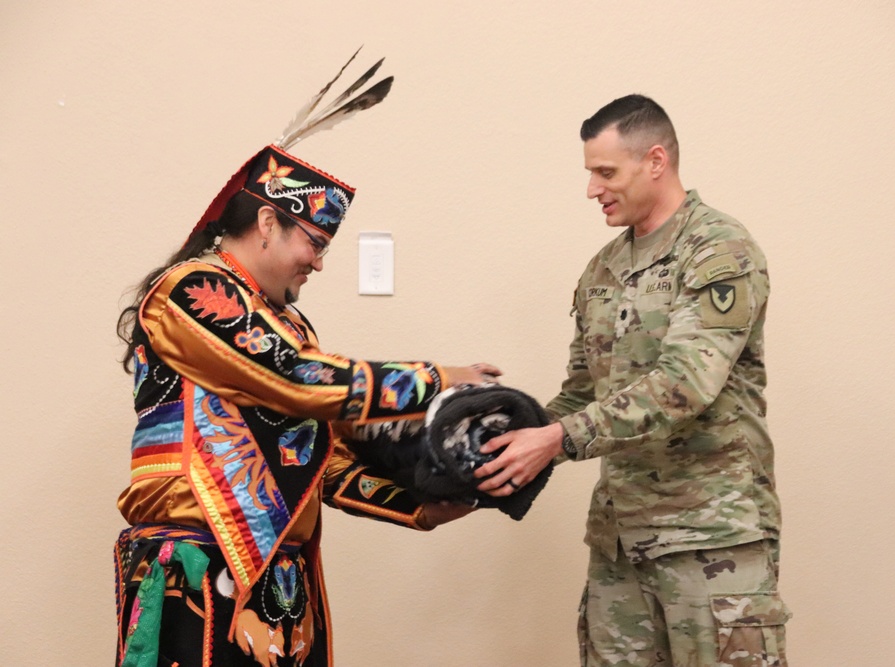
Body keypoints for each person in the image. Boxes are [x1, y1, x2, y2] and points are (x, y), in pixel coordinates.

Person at [114, 59, 499, 667]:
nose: (318, 264)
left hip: (282, 585)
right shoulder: (189, 293)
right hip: (198, 565)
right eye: (314, 243)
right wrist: (437, 379)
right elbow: (297, 379)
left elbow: (319, 461)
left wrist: (417, 507)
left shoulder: (287, 326)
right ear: (268, 222)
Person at [474, 95, 790, 666]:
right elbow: (581, 392)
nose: (592, 189)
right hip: (620, 543)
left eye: (605, 172)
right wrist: (503, 439)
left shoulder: (718, 249)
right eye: (590, 174)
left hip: (709, 538)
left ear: (655, 161)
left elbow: (686, 383)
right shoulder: (603, 269)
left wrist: (557, 440)